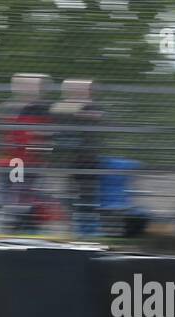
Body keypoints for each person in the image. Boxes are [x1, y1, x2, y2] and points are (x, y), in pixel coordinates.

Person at [0, 73, 53, 232]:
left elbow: (47, 135)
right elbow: (0, 132)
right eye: (23, 84)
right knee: (13, 191)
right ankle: (13, 222)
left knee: (22, 191)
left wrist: (42, 147)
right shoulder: (8, 106)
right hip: (13, 160)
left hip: (30, 160)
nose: (27, 88)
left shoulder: (43, 108)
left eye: (31, 85)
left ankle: (22, 223)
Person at [50, 79, 103, 238]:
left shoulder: (93, 105)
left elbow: (98, 116)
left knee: (87, 198)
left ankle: (87, 233)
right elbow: (56, 112)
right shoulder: (60, 105)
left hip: (88, 160)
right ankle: (70, 232)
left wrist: (79, 112)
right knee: (67, 198)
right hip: (66, 160)